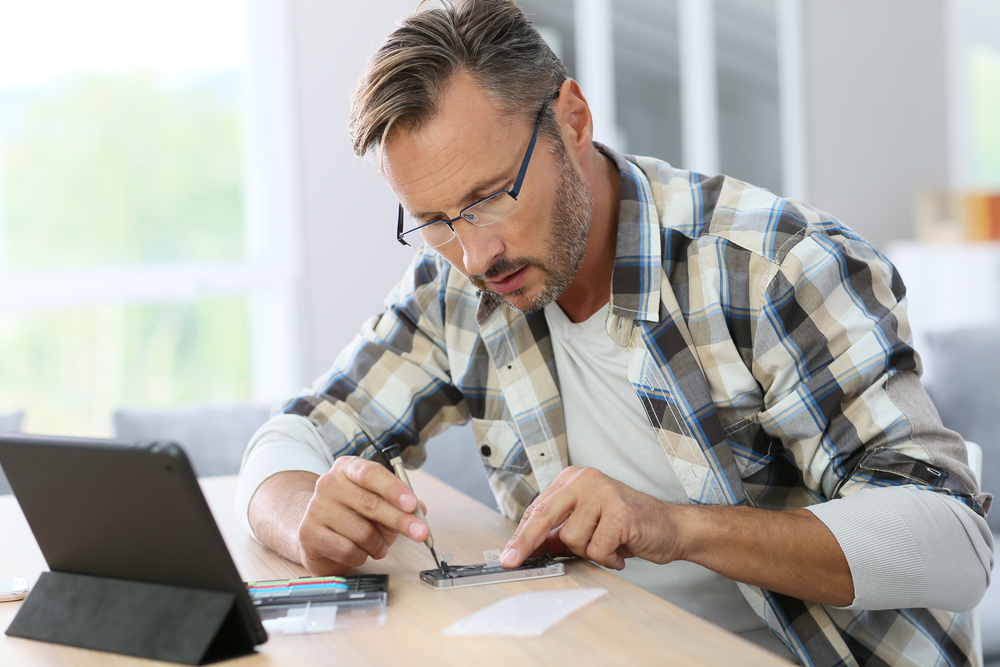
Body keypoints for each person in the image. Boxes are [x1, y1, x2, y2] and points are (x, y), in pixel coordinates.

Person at [237, 1, 993, 664]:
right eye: (434, 221)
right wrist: (304, 517)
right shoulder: (456, 291)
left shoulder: (771, 267)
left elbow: (954, 541)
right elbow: (291, 438)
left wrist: (676, 527)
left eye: (490, 197)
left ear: (573, 119)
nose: (475, 253)